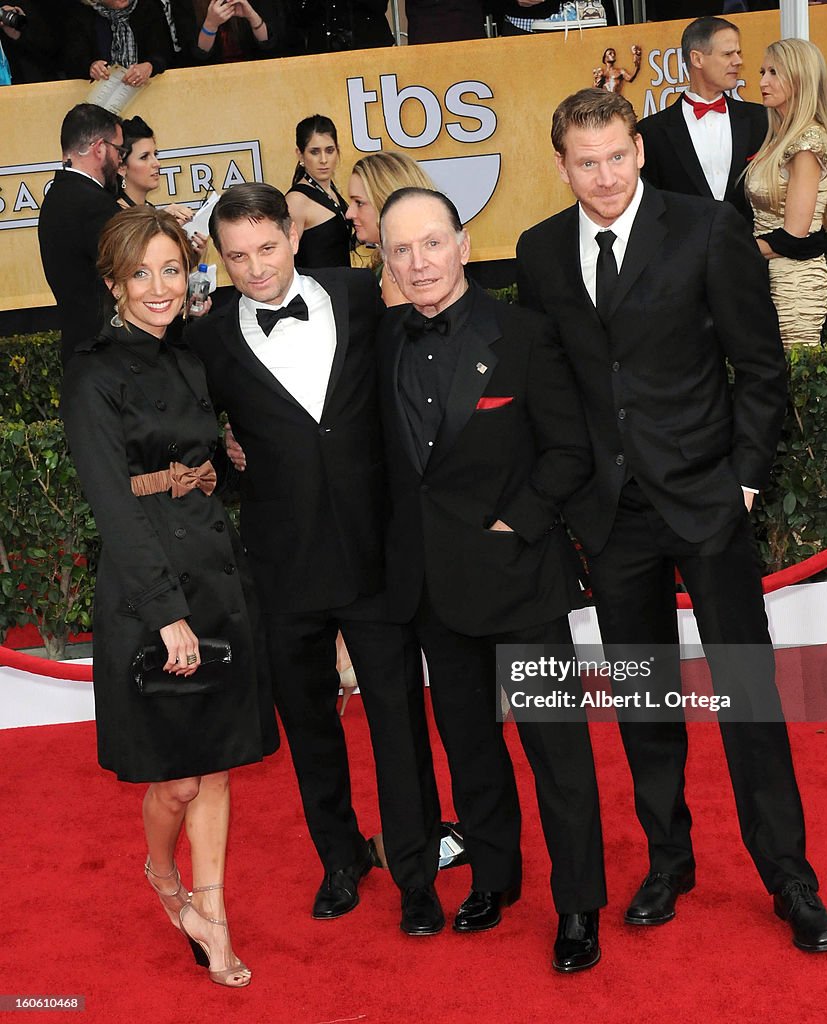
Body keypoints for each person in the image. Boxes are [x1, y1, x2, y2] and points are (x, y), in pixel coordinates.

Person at [516, 88, 827, 953]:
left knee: (747, 693)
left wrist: (742, 480)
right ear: (561, 165)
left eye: (617, 156)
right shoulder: (541, 251)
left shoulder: (704, 227)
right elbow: (550, 387)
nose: (604, 176)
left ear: (639, 150)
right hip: (612, 514)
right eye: (586, 163)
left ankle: (789, 878)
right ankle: (669, 861)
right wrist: (572, 494)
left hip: (705, 498)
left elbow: (760, 363)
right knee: (643, 698)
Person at [188, 183, 439, 926]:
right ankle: (340, 858)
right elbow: (210, 446)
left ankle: (417, 875)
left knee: (398, 722)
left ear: (293, 237)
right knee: (309, 728)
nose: (256, 269)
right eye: (237, 257)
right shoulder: (209, 339)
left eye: (267, 248)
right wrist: (228, 461)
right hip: (282, 562)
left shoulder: (361, 294)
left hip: (373, 554)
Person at [373, 186, 607, 971]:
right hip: (433, 589)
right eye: (400, 250)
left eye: (431, 244)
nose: (418, 263)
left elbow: (570, 450)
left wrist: (520, 523)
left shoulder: (523, 334)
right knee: (471, 750)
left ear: (464, 245)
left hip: (519, 579)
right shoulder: (381, 342)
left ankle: (578, 905)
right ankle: (495, 881)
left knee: (557, 754)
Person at [61, 206, 279, 987]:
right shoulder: (93, 371)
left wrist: (232, 458)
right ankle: (160, 873)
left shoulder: (188, 360)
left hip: (217, 573)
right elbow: (113, 504)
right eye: (142, 273)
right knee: (178, 778)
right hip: (150, 588)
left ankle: (213, 916)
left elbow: (199, 461)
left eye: (172, 269)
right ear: (115, 283)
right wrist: (166, 613)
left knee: (218, 767)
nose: (160, 287)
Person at [745, 38, 827, 347]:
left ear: (800, 78)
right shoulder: (782, 138)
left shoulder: (807, 143)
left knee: (794, 385)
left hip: (794, 286)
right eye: (763, 71)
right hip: (768, 277)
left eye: (774, 72)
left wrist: (727, 251)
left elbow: (794, 235)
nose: (762, 82)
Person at [637, 16, 767, 223]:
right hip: (683, 252)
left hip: (750, 248)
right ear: (697, 59)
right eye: (727, 54)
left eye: (738, 53)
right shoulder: (651, 132)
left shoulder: (761, 119)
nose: (738, 61)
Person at [38, 103, 123, 366]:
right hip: (109, 355)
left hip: (83, 353)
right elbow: (128, 273)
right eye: (119, 150)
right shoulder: (94, 204)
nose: (121, 160)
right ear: (100, 148)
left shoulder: (56, 196)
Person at [345, 151, 435, 306]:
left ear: (386, 202)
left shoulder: (398, 270)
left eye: (359, 203)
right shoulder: (411, 260)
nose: (349, 213)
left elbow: (400, 330)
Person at [116, 115, 208, 258]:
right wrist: (161, 220)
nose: (156, 163)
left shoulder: (149, 208)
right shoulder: (113, 216)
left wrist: (189, 255)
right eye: (144, 157)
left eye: (155, 154)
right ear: (121, 167)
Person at [286, 114, 354, 270]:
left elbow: (332, 246)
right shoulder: (296, 201)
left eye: (329, 150)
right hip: (317, 291)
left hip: (343, 287)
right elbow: (285, 259)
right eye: (315, 152)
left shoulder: (332, 191)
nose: (324, 159)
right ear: (300, 154)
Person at [63, 0, 175, 85]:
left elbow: (164, 54)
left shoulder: (148, 7)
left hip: (146, 90)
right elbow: (73, 61)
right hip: (99, 96)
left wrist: (150, 66)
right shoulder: (81, 15)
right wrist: (91, 67)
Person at [193, 0, 281, 64]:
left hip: (253, 69)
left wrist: (252, 16)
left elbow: (269, 47)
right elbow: (198, 58)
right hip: (211, 74)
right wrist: (211, 24)